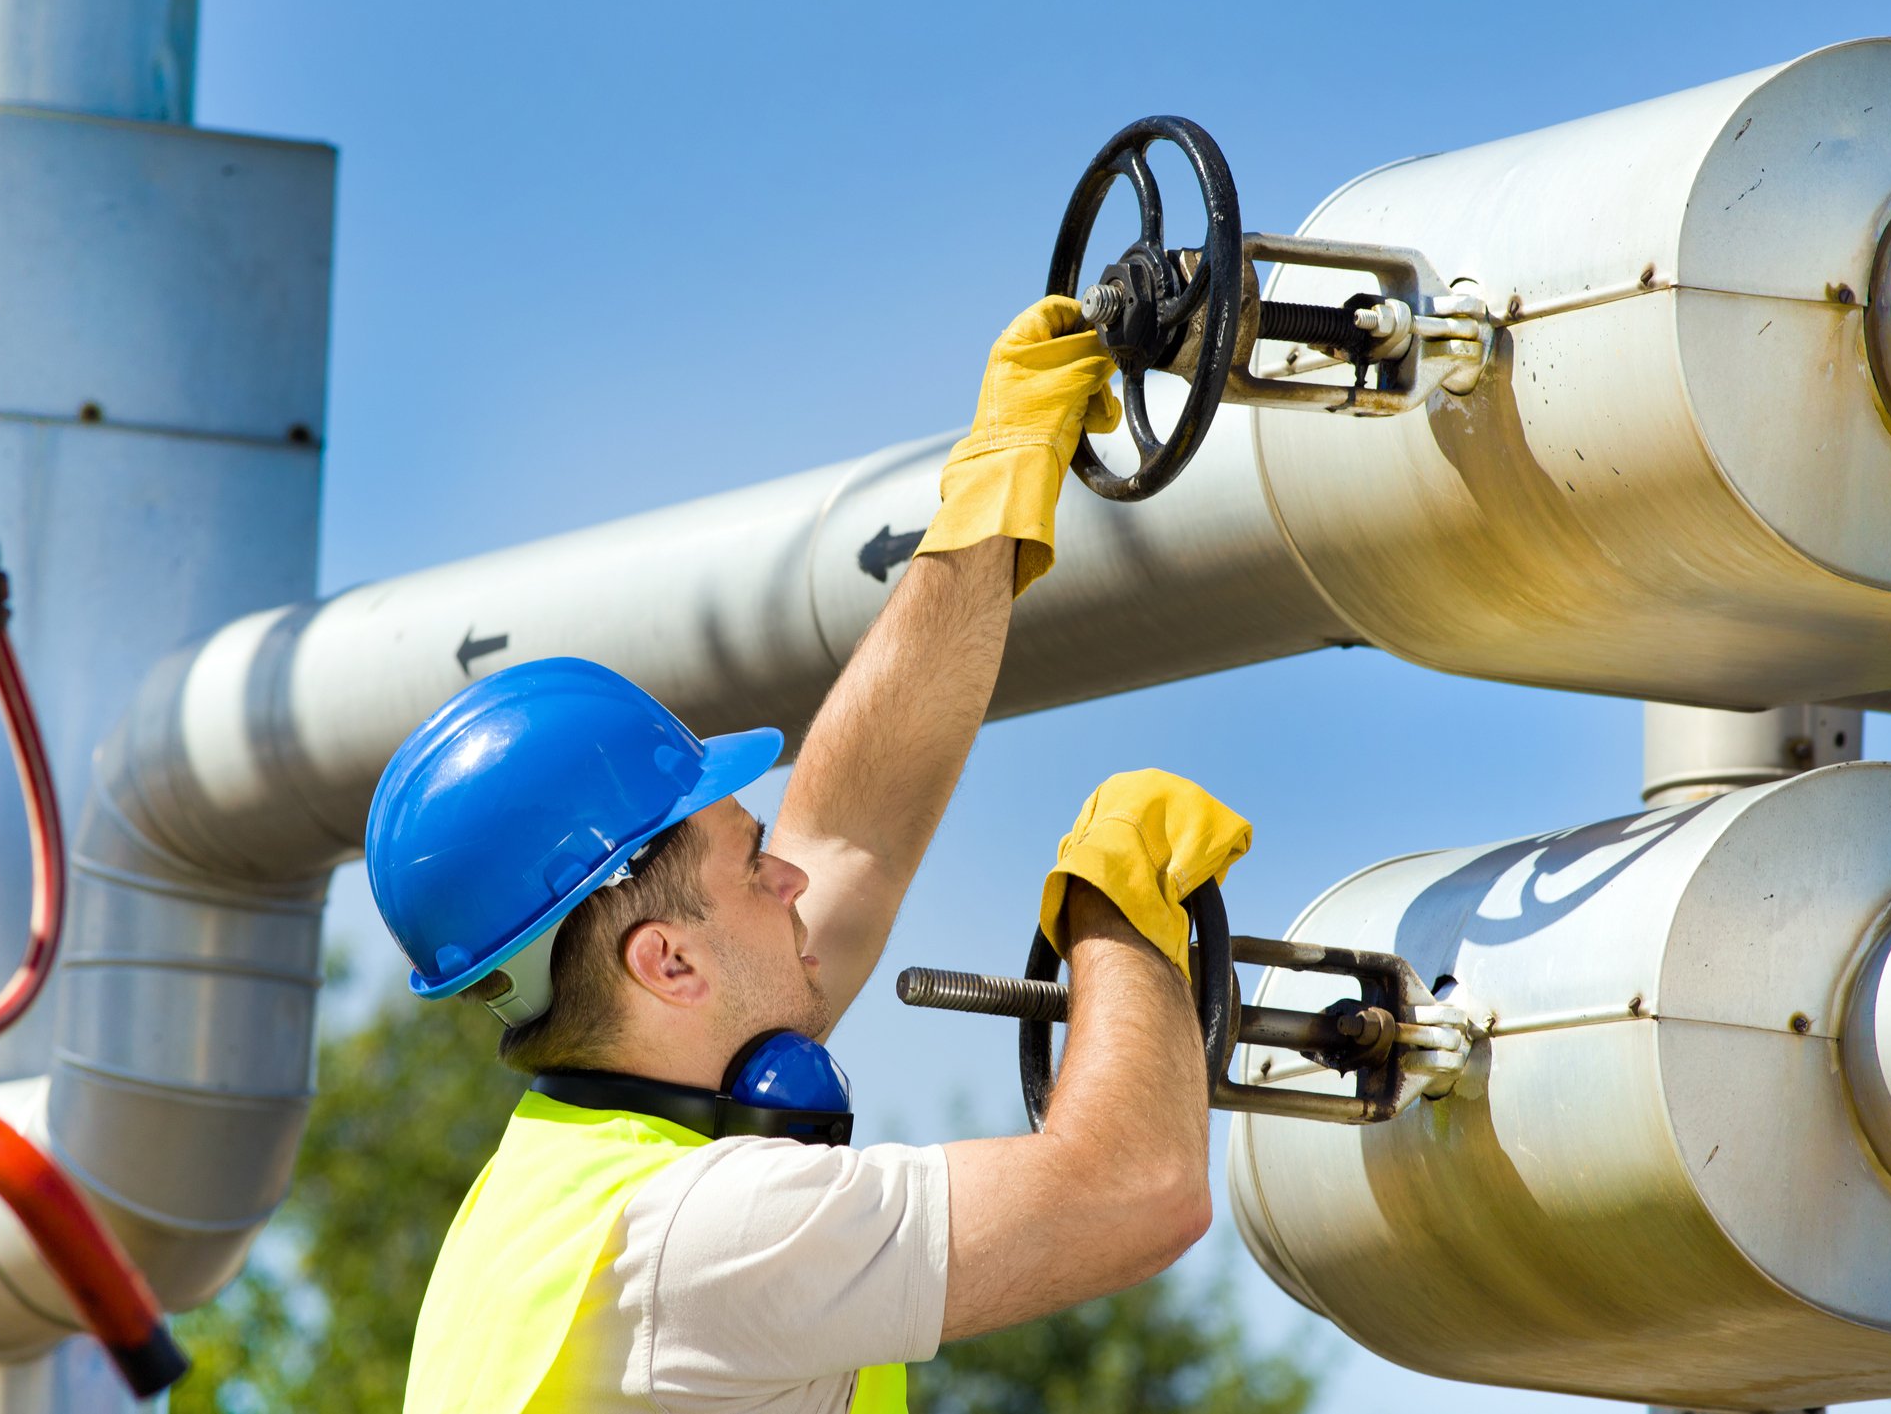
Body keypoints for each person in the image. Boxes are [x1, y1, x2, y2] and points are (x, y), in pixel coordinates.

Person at [364, 297, 1254, 1413]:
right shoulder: (702, 1234)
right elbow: (1131, 1190)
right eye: (749, 864)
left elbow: (849, 834)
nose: (786, 874)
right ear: (666, 963)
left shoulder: (569, 1187)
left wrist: (991, 502)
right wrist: (1116, 916)